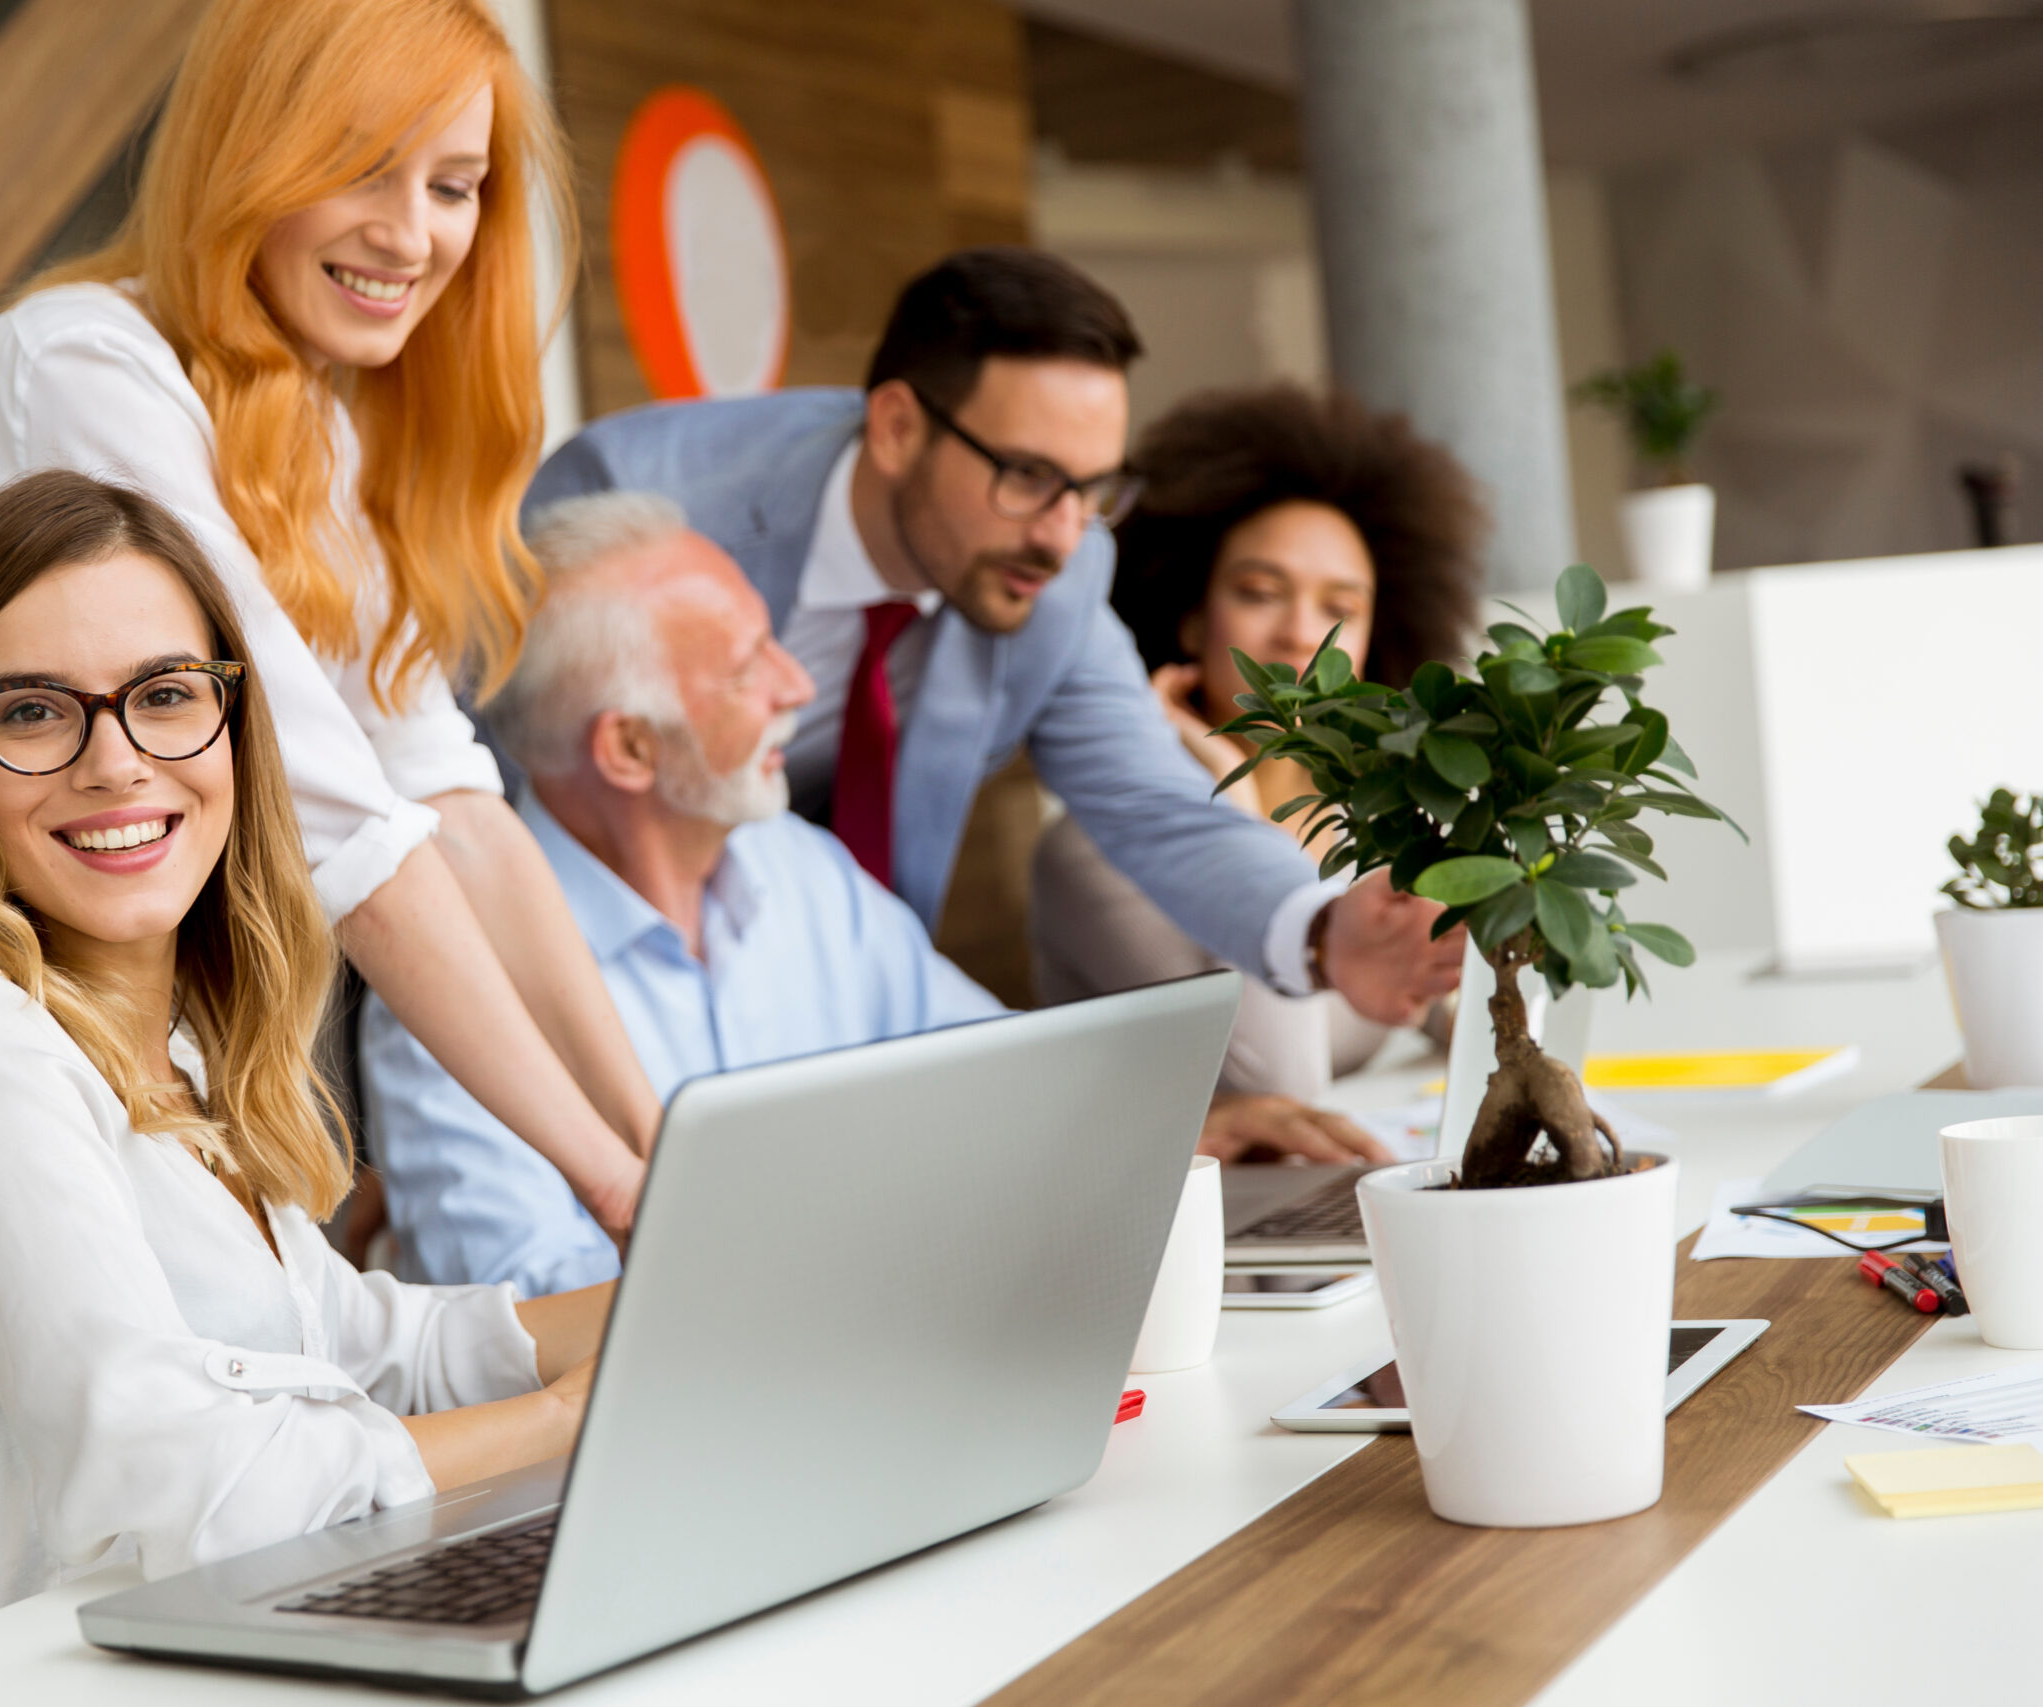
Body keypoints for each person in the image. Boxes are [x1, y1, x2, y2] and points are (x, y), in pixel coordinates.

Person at [0, 0, 653, 1520]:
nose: (414, 232)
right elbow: (358, 845)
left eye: (457, 185)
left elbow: (454, 808)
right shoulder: (85, 366)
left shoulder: (325, 442)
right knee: (63, 1549)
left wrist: (665, 1141)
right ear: (250, 155)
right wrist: (618, 1187)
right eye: (363, 166)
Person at [0, 470, 609, 1655]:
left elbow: (347, 1350)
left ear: (231, 724)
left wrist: (636, 1317)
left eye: (164, 693)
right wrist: (560, 1420)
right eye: (35, 711)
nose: (117, 763)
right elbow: (184, 1478)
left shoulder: (180, 1047)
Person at [363, 494, 1404, 1294]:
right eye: (745, 667)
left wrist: (1178, 1126)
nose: (800, 686)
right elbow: (520, 1312)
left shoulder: (800, 873)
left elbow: (1002, 1078)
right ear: (627, 748)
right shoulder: (448, 985)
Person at [522, 249, 1463, 1114]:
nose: (1063, 533)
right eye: (1029, 476)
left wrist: (1322, 930)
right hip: (601, 999)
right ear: (895, 426)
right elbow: (487, 800)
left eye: (1094, 489)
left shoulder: (1059, 571)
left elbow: (1152, 800)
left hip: (849, 995)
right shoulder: (632, 514)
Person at [1031, 385, 1485, 1109]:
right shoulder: (1097, 852)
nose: (1302, 632)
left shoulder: (1367, 820)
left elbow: (1467, 1021)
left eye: (1340, 608)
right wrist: (1240, 811)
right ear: (1187, 619)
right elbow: (1282, 1087)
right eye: (1260, 591)